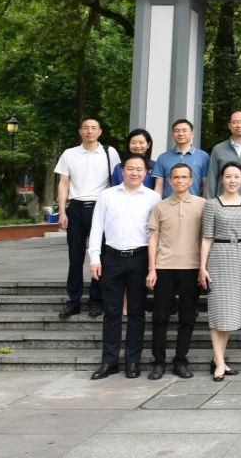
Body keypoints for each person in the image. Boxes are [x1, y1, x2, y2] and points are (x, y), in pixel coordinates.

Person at [87, 152, 160, 379]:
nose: (134, 173)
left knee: (137, 312)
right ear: (122, 170)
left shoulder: (153, 198)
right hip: (112, 258)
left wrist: (153, 266)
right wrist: (95, 258)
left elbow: (156, 234)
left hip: (140, 258)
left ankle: (132, 361)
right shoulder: (107, 195)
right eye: (130, 168)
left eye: (139, 169)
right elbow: (97, 227)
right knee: (112, 312)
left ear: (146, 172)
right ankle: (109, 362)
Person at [55, 116, 121, 319]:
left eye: (94, 128)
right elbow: (63, 183)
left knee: (99, 255)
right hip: (75, 208)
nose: (89, 131)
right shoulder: (69, 154)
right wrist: (62, 211)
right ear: (80, 131)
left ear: (100, 131)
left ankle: (96, 300)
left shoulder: (109, 152)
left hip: (101, 208)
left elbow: (118, 180)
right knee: (75, 257)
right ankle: (73, 301)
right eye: (85, 127)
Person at [145, 162, 205, 380]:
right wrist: (152, 269)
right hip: (164, 267)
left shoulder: (202, 205)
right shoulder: (160, 206)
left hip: (192, 267)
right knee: (160, 317)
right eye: (176, 177)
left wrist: (203, 267)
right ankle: (158, 362)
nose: (180, 180)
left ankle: (181, 360)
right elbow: (153, 238)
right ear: (170, 180)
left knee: (187, 318)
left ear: (191, 180)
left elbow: (206, 238)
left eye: (184, 177)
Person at [199, 162, 241, 381]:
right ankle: (220, 362)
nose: (232, 180)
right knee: (217, 310)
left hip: (240, 257)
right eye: (228, 176)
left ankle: (218, 358)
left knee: (231, 312)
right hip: (218, 257)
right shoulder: (212, 205)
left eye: (236, 176)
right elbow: (207, 237)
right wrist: (202, 267)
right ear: (222, 179)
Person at [153, 118, 211, 197]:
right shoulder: (163, 157)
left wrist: (204, 203)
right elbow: (159, 187)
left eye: (184, 130)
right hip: (169, 203)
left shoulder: (203, 156)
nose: (180, 134)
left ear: (192, 134)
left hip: (195, 203)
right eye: (177, 131)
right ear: (172, 135)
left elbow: (206, 186)